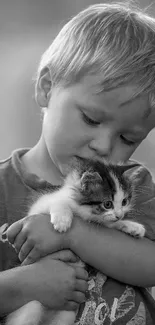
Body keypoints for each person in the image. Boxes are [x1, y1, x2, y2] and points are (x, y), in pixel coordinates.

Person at [1, 2, 155, 324]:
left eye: (128, 139)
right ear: (47, 89)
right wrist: (19, 286)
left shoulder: (133, 183)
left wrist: (74, 234)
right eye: (91, 119)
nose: (103, 147)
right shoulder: (3, 188)